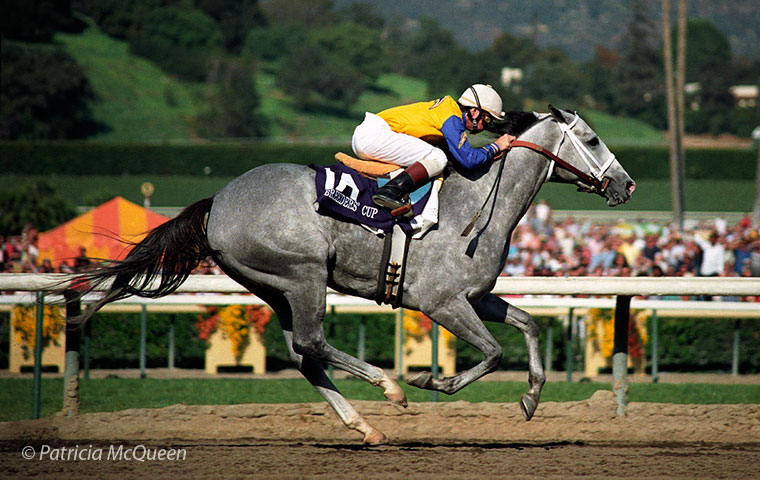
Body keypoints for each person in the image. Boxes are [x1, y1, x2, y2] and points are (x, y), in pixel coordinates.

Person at [351, 84, 516, 212]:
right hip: (374, 136)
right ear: (474, 111)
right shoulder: (452, 117)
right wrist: (496, 146)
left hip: (369, 135)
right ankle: (389, 192)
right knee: (438, 157)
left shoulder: (449, 112)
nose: (483, 127)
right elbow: (468, 159)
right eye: (486, 120)